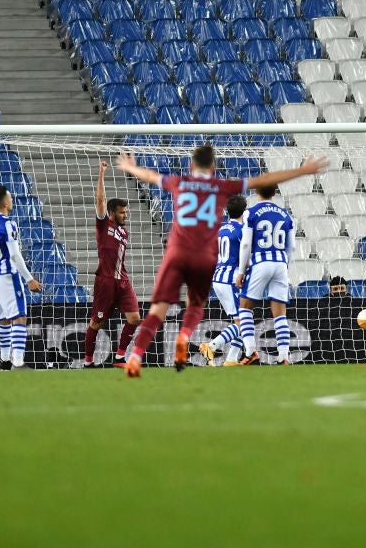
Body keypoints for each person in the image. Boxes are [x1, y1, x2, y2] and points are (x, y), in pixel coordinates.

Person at [115, 144, 328, 377]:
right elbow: (265, 179)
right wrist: (302, 171)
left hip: (179, 252)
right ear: (214, 167)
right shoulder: (221, 188)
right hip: (207, 259)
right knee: (207, 308)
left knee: (159, 309)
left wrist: (130, 167)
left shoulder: (180, 183)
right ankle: (194, 340)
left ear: (190, 165)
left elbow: (151, 176)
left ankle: (136, 356)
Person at [225, 185, 297, 366]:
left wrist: (241, 271)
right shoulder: (286, 214)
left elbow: (246, 244)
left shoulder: (251, 213)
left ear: (257, 191)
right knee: (280, 313)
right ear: (274, 192)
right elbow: (292, 246)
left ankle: (249, 351)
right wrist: (285, 265)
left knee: (245, 307)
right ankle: (284, 356)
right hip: (281, 264)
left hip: (260, 262)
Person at [0, 186, 42, 370]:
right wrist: (29, 279)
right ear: (5, 202)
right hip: (6, 276)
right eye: (11, 197)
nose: (13, 201)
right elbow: (15, 255)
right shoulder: (8, 224)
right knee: (19, 317)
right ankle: (18, 362)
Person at [84, 160, 140, 368]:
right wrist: (101, 173)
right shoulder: (103, 225)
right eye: (122, 212)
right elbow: (100, 200)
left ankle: (119, 357)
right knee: (96, 324)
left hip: (122, 280)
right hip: (105, 281)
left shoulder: (124, 232)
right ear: (112, 213)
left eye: (126, 211)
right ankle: (88, 362)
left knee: (134, 318)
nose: (126, 215)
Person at [199, 195, 247, 366]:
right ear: (245, 210)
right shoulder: (242, 231)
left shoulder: (220, 230)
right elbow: (247, 255)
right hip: (231, 280)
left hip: (218, 278)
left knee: (242, 320)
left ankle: (232, 359)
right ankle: (211, 346)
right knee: (244, 323)